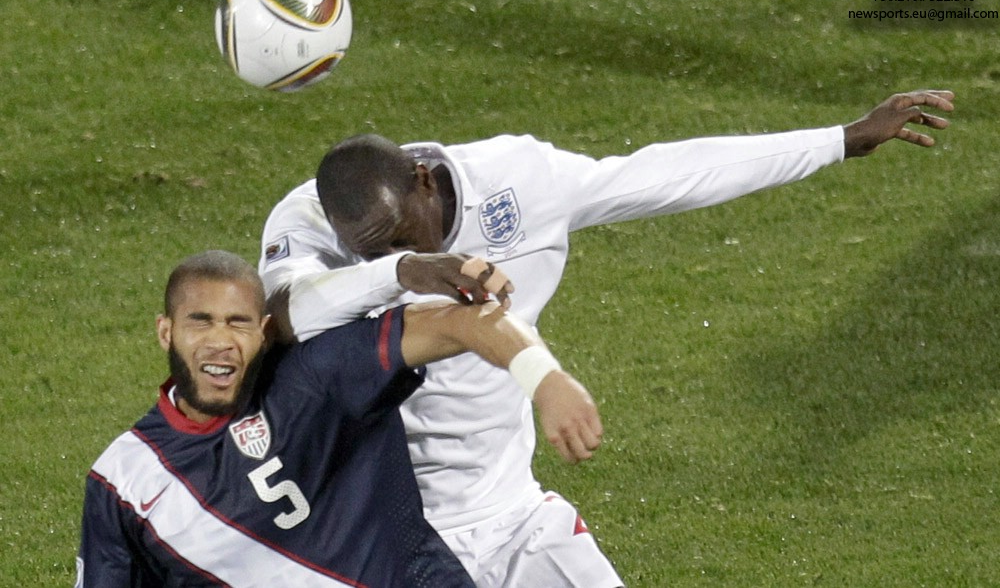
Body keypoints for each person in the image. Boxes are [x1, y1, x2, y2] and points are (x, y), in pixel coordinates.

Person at [258, 89, 954, 586]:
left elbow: (666, 174)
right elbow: (287, 309)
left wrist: (838, 140)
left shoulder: (519, 182)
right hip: (377, 537)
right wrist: (405, 269)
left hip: (510, 514)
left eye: (400, 236)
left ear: (422, 180)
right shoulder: (311, 219)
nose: (392, 253)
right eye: (373, 250)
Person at [76, 250, 601, 587]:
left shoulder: (315, 380)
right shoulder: (124, 481)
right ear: (166, 332)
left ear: (264, 332)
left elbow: (460, 321)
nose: (220, 341)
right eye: (201, 322)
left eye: (237, 323)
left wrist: (545, 379)